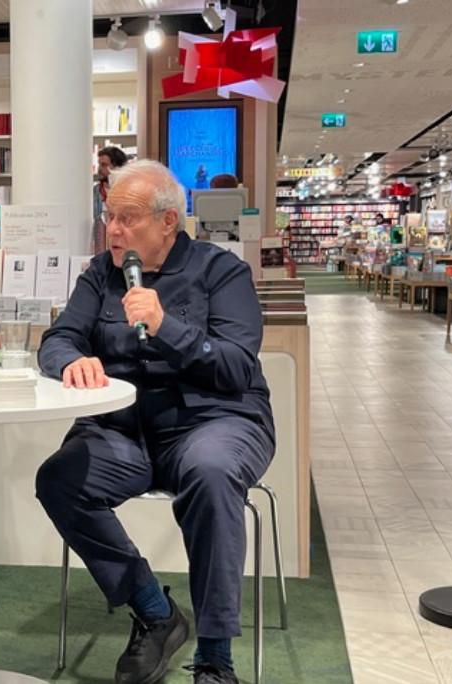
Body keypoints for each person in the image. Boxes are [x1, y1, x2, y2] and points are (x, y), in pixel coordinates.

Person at [35, 160, 275, 684]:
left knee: (211, 475)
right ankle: (155, 612)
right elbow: (57, 340)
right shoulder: (101, 273)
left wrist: (166, 325)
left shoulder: (222, 271)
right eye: (109, 217)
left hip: (215, 421)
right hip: (125, 431)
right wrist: (70, 360)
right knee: (59, 479)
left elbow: (236, 366)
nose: (114, 231)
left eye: (128, 219)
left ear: (169, 222)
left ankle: (215, 659)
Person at [93, 146, 129, 253]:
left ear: (117, 168)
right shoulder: (94, 192)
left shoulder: (128, 193)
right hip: (100, 248)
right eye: (99, 164)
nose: (99, 169)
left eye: (104, 165)